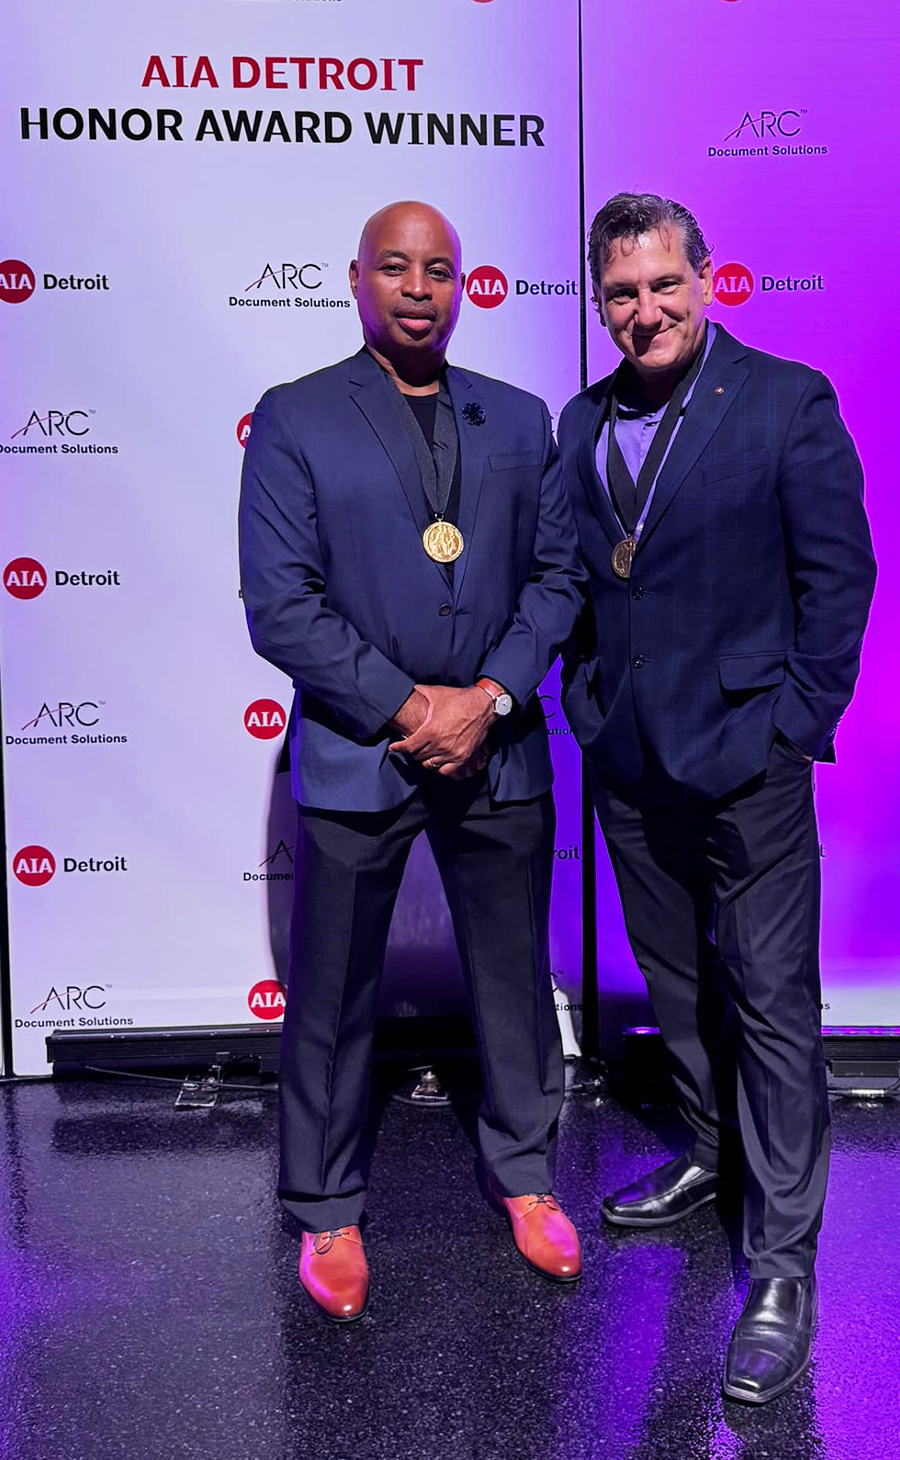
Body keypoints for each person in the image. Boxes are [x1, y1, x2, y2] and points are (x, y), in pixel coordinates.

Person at [239, 200, 585, 1322]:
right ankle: (327, 1206)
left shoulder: (520, 418)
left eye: (439, 270)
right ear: (358, 280)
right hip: (358, 749)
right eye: (396, 267)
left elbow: (558, 580)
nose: (419, 289)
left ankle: (527, 1177)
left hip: (500, 744)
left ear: (463, 285)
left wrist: (484, 699)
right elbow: (281, 606)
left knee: (512, 977)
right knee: (332, 993)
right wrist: (407, 705)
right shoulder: (294, 417)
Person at [559, 192, 875, 1402]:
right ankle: (709, 1149)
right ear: (601, 304)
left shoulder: (786, 400)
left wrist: (792, 725)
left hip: (749, 760)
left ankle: (782, 1265)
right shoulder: (583, 421)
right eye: (622, 293)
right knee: (678, 984)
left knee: (773, 1005)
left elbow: (840, 576)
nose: (645, 310)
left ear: (705, 279)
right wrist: (585, 702)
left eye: (663, 284)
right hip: (630, 759)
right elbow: (581, 580)